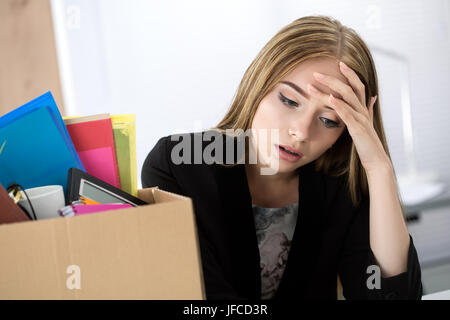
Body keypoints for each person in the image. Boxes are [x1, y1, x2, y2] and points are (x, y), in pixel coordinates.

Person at [141, 15, 422, 300]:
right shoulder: (178, 164)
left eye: (329, 120)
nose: (300, 132)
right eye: (289, 100)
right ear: (259, 84)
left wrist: (378, 169)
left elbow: (388, 296)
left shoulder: (342, 185)